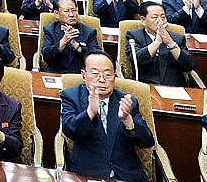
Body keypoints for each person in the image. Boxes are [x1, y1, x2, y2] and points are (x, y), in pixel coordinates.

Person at [59, 52, 155, 181]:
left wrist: (128, 121)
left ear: (115, 77)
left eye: (108, 74)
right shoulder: (72, 96)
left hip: (125, 175)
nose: (102, 79)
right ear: (84, 74)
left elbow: (148, 141)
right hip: (88, 174)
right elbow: (69, 130)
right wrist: (90, 113)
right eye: (95, 73)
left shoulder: (126, 101)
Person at [125, 1, 197, 87]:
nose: (160, 21)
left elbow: (190, 65)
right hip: (146, 86)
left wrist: (170, 43)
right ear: (143, 20)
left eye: (163, 17)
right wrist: (157, 42)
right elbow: (135, 60)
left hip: (174, 86)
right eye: (155, 17)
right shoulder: (134, 36)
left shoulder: (177, 38)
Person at [40, 0, 101, 73]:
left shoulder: (89, 31)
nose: (71, 15)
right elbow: (46, 57)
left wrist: (76, 45)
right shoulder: (50, 30)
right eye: (66, 11)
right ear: (57, 14)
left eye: (74, 10)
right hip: (56, 73)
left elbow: (97, 58)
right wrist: (63, 42)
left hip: (80, 75)